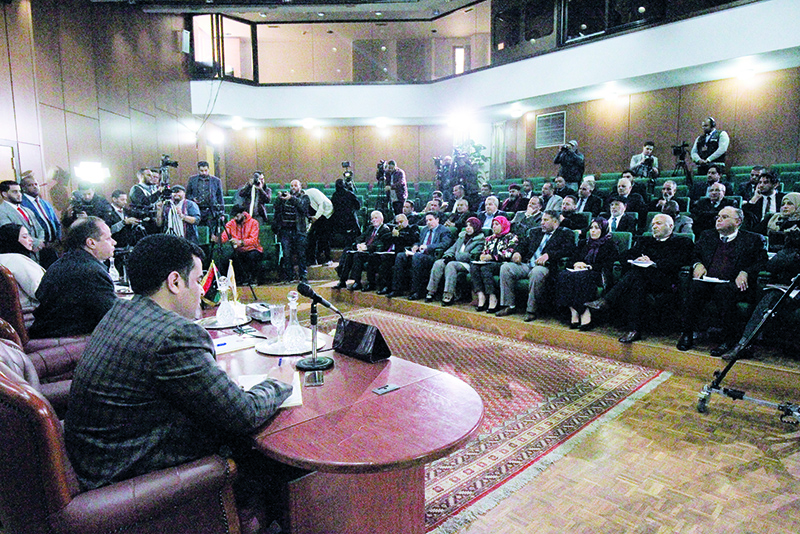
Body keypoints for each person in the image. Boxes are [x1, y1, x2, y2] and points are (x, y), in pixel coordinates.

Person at [63, 234, 293, 531]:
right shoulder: (174, 336)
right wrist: (277, 382)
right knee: (268, 452)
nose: (201, 291)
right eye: (198, 281)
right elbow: (244, 413)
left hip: (97, 457)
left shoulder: (122, 311)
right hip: (126, 471)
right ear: (174, 282)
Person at [585, 214, 694, 343]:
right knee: (637, 280)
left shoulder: (682, 242)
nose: (654, 227)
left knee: (636, 276)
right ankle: (633, 329)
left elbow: (680, 261)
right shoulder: (645, 240)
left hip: (664, 280)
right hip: (641, 279)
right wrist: (635, 260)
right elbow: (624, 256)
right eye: (653, 224)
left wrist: (653, 263)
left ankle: (607, 301)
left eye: (658, 224)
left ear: (670, 226)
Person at [677, 207, 768, 355]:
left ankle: (728, 340)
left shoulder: (753, 239)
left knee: (724, 291)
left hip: (733, 284)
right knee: (694, 287)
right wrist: (697, 264)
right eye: (718, 216)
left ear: (738, 221)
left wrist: (745, 272)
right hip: (708, 280)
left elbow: (762, 262)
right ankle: (687, 333)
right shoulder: (707, 235)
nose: (718, 219)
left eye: (724, 217)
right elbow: (694, 254)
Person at [719, 213, 800, 361]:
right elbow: (772, 266)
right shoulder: (794, 248)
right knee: (770, 297)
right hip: (792, 289)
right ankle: (743, 345)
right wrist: (791, 248)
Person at [29, 217, 117, 339]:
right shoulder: (91, 272)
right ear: (91, 243)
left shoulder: (60, 263)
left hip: (44, 332)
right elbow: (114, 318)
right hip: (65, 341)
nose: (114, 242)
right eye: (108, 238)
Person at [496, 210, 575, 321]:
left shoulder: (565, 233)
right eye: (542, 219)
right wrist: (517, 253)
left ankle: (531, 310)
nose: (542, 222)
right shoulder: (535, 232)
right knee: (506, 268)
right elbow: (523, 244)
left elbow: (568, 251)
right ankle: (509, 305)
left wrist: (549, 255)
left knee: (537, 272)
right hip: (528, 264)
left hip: (547, 267)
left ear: (555, 222)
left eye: (545, 220)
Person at [556, 217, 619, 330]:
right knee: (563, 275)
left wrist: (590, 266)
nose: (593, 231)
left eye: (597, 228)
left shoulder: (610, 245)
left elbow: (608, 264)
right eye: (591, 228)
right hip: (579, 271)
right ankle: (573, 311)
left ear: (604, 229)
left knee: (583, 277)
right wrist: (576, 264)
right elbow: (572, 259)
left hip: (598, 273)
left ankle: (585, 312)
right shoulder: (583, 243)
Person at [388, 211, 453, 300]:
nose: (428, 222)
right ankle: (397, 289)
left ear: (437, 220)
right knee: (401, 256)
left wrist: (428, 247)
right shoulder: (424, 230)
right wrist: (415, 246)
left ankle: (416, 291)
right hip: (419, 254)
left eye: (431, 220)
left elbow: (445, 244)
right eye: (427, 220)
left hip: (432, 256)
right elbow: (418, 241)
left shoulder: (444, 230)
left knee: (417, 258)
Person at [425, 217, 483, 304]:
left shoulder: (480, 240)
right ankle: (431, 291)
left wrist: (455, 257)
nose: (468, 228)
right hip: (455, 259)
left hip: (469, 264)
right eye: (467, 225)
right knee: (439, 263)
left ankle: (448, 294)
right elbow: (453, 248)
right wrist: (448, 255)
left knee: (451, 265)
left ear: (476, 227)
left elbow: (472, 256)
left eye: (471, 226)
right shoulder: (462, 236)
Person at [471, 215, 518, 313]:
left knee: (485, 268)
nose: (494, 227)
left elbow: (509, 253)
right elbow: (485, 251)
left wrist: (492, 257)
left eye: (497, 224)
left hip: (503, 263)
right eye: (493, 225)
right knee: (474, 266)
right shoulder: (489, 238)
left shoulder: (511, 237)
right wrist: (483, 256)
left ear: (503, 225)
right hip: (489, 263)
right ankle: (481, 295)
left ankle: (493, 297)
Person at [334, 210, 390, 292]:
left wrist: (366, 247)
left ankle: (357, 282)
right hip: (364, 251)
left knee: (357, 255)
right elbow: (359, 238)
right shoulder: (370, 228)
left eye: (376, 218)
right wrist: (358, 245)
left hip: (374, 253)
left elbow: (380, 244)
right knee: (349, 253)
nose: (373, 220)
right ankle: (342, 281)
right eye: (372, 219)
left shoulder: (385, 229)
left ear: (382, 219)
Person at [0, 223, 45, 312]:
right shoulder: (17, 260)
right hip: (30, 316)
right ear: (12, 240)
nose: (31, 240)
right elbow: (42, 291)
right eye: (25, 237)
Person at [272, 180, 310, 284]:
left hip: (299, 230)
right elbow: (276, 209)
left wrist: (292, 198)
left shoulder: (304, 197)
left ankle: (303, 276)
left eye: (296, 185)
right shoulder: (285, 198)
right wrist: (279, 199)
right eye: (292, 186)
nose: (293, 187)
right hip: (285, 230)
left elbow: (303, 208)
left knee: (301, 254)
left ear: (300, 187)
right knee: (287, 254)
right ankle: (289, 276)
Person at [20, 171, 61, 266]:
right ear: (24, 188)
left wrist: (58, 239)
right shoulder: (22, 204)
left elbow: (56, 222)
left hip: (53, 246)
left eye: (36, 184)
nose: (35, 187)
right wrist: (39, 242)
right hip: (38, 247)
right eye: (31, 185)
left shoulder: (45, 203)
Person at [215, 205, 263, 285]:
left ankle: (253, 279)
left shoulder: (253, 223)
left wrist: (240, 242)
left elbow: (254, 240)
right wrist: (217, 239)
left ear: (243, 214)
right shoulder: (231, 223)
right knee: (227, 260)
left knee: (252, 256)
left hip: (253, 249)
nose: (236, 219)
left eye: (237, 216)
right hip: (239, 251)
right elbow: (224, 237)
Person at [0, 180, 46, 263]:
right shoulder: (2, 211)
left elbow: (40, 229)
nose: (19, 195)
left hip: (37, 255)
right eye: (15, 192)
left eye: (19, 191)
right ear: (4, 194)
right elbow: (11, 234)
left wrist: (40, 241)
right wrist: (35, 243)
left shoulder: (27, 210)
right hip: (20, 256)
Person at [376, 213, 419, 295]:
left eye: (401, 222)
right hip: (392, 252)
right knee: (381, 257)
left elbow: (413, 239)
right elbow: (383, 237)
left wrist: (400, 235)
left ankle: (395, 289)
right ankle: (383, 286)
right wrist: (393, 234)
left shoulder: (412, 228)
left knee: (392, 259)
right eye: (397, 222)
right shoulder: (395, 229)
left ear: (407, 221)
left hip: (404, 253)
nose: (399, 224)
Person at [186, 161, 225, 235]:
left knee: (211, 231)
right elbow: (187, 195)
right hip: (196, 209)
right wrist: (193, 199)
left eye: (206, 170)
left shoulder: (216, 181)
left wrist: (222, 213)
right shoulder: (192, 180)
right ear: (198, 170)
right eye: (201, 171)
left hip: (211, 209)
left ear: (208, 169)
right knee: (197, 230)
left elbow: (220, 197)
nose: (204, 173)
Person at [304, 186, 334, 266]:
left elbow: (322, 205)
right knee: (311, 237)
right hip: (316, 216)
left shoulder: (313, 192)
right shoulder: (301, 201)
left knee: (324, 238)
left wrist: (316, 217)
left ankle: (327, 258)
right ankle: (312, 259)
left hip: (326, 214)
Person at [329, 177, 362, 246]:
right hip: (350, 220)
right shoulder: (350, 194)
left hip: (338, 221)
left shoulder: (334, 196)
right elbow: (358, 206)